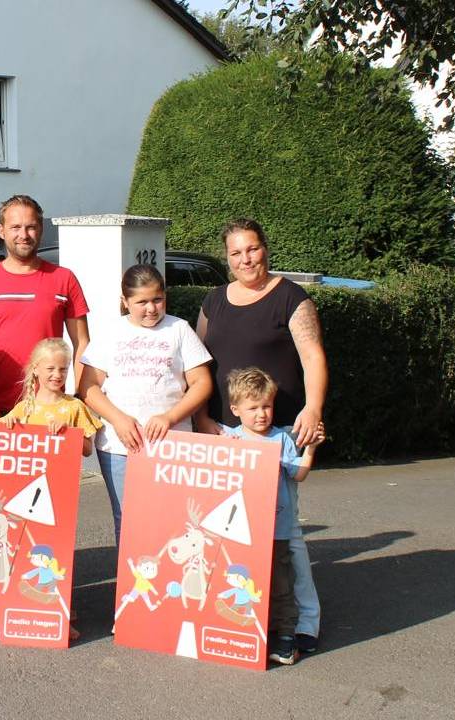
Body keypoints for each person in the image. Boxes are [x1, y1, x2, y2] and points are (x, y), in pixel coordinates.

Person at [194, 218, 327, 654]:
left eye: (252, 249)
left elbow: (313, 357)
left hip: (277, 431)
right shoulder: (214, 301)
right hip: (224, 431)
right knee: (228, 529)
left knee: (285, 536)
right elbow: (199, 365)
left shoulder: (291, 298)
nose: (245, 259)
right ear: (227, 257)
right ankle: (238, 613)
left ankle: (304, 621)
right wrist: (202, 419)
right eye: (236, 253)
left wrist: (312, 407)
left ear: (265, 249)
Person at [79, 264, 213, 541]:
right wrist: (118, 419)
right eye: (141, 302)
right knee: (128, 519)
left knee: (174, 519)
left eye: (157, 299)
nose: (151, 308)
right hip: (119, 447)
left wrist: (170, 417)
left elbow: (202, 383)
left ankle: (170, 583)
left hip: (174, 444)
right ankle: (133, 584)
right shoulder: (110, 332)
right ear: (125, 301)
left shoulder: (179, 329)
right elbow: (89, 387)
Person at [219, 367, 317, 666]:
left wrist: (310, 449)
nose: (261, 414)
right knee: (238, 580)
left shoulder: (281, 440)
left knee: (281, 584)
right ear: (236, 410)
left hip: (277, 528)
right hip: (240, 529)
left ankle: (286, 638)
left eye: (266, 406)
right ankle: (239, 631)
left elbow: (298, 474)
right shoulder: (229, 439)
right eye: (253, 408)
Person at [0, 195, 90, 412]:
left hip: (48, 407)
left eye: (31, 227)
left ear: (41, 230)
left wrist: (81, 395)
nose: (23, 235)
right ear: (1, 231)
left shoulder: (64, 278)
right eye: (15, 227)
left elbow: (82, 344)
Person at [0, 337, 102, 455]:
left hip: (61, 472)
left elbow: (88, 451)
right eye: (50, 368)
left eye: (63, 369)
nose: (57, 375)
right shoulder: (24, 408)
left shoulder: (75, 406)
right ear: (36, 369)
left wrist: (69, 432)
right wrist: (0, 423)